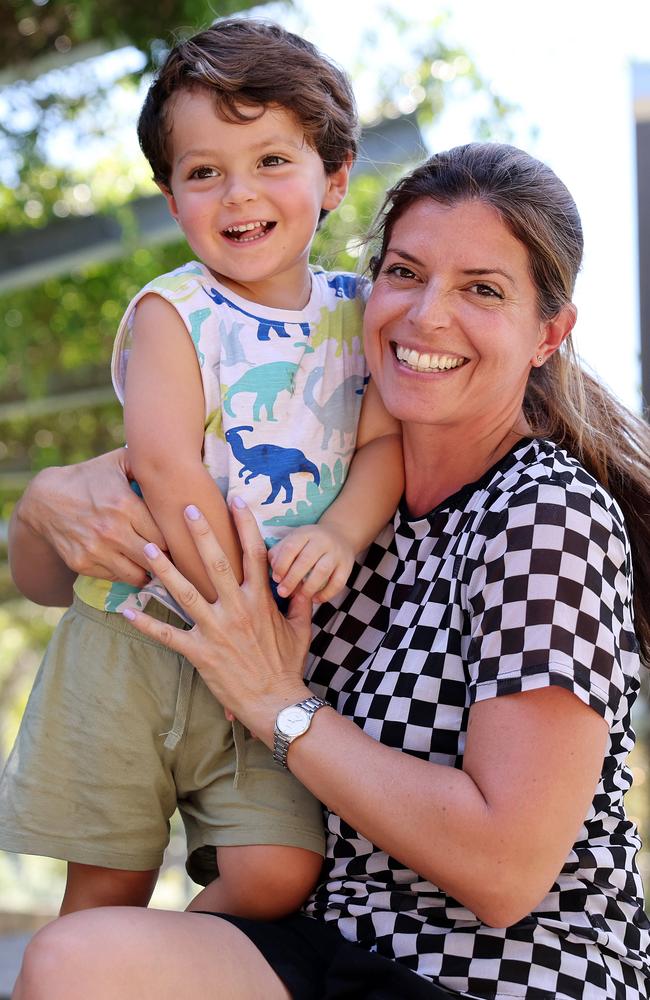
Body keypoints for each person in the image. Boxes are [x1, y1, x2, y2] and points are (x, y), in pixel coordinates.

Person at [10, 142, 650, 1000]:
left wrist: (283, 707)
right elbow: (57, 584)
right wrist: (46, 506)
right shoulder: (335, 492)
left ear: (548, 334)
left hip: (498, 976)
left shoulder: (545, 516)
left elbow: (505, 873)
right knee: (77, 959)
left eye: (482, 290)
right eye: (405, 272)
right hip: (328, 944)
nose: (427, 316)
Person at [0, 18, 403, 918]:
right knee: (107, 889)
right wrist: (244, 614)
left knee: (278, 871)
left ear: (333, 176)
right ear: (171, 196)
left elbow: (382, 445)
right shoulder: (173, 312)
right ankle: (100, 967)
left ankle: (165, 964)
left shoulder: (360, 313)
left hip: (268, 665)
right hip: (137, 642)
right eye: (203, 171)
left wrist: (340, 532)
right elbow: (166, 464)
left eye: (270, 160)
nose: (237, 193)